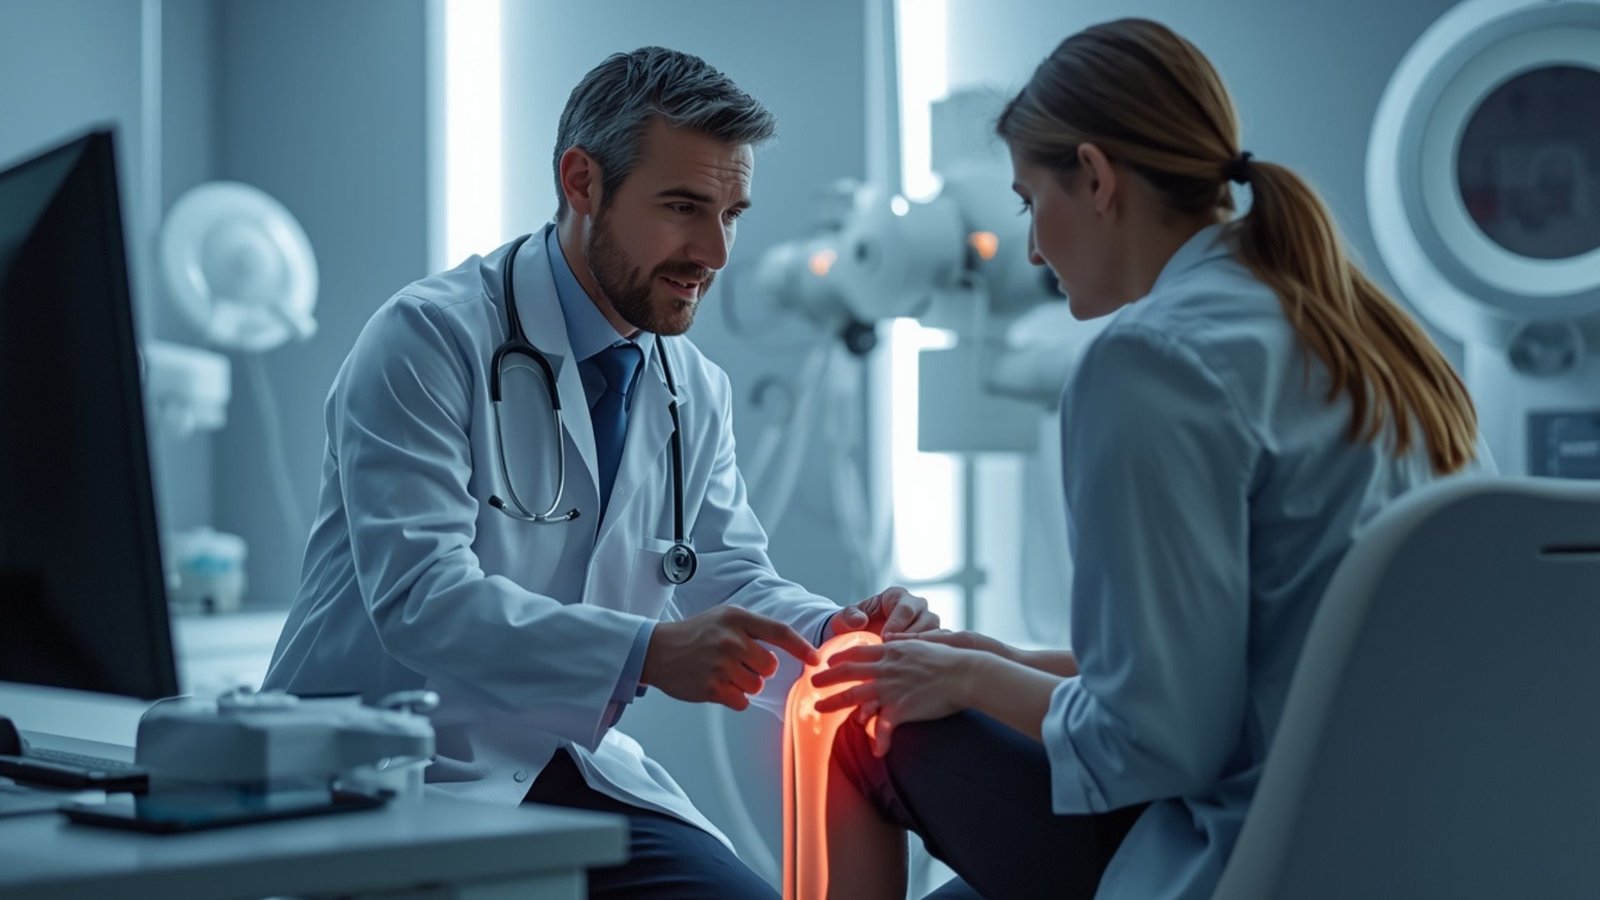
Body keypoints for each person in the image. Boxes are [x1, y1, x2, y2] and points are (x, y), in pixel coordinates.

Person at [808, 18, 1490, 900]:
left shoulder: (1150, 362)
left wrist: (973, 677)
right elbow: (1254, 663)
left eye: (1027, 202)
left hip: (1254, 854)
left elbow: (1159, 741)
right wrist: (1004, 660)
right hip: (1421, 841)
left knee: (869, 727)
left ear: (1094, 177)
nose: (1030, 249)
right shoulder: (1366, 338)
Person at [261, 46, 937, 898]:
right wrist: (646, 654)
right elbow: (423, 603)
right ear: (582, 182)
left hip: (563, 767)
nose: (715, 252)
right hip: (387, 767)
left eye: (733, 213)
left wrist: (843, 638)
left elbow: (724, 574)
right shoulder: (428, 341)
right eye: (684, 207)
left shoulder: (691, 387)